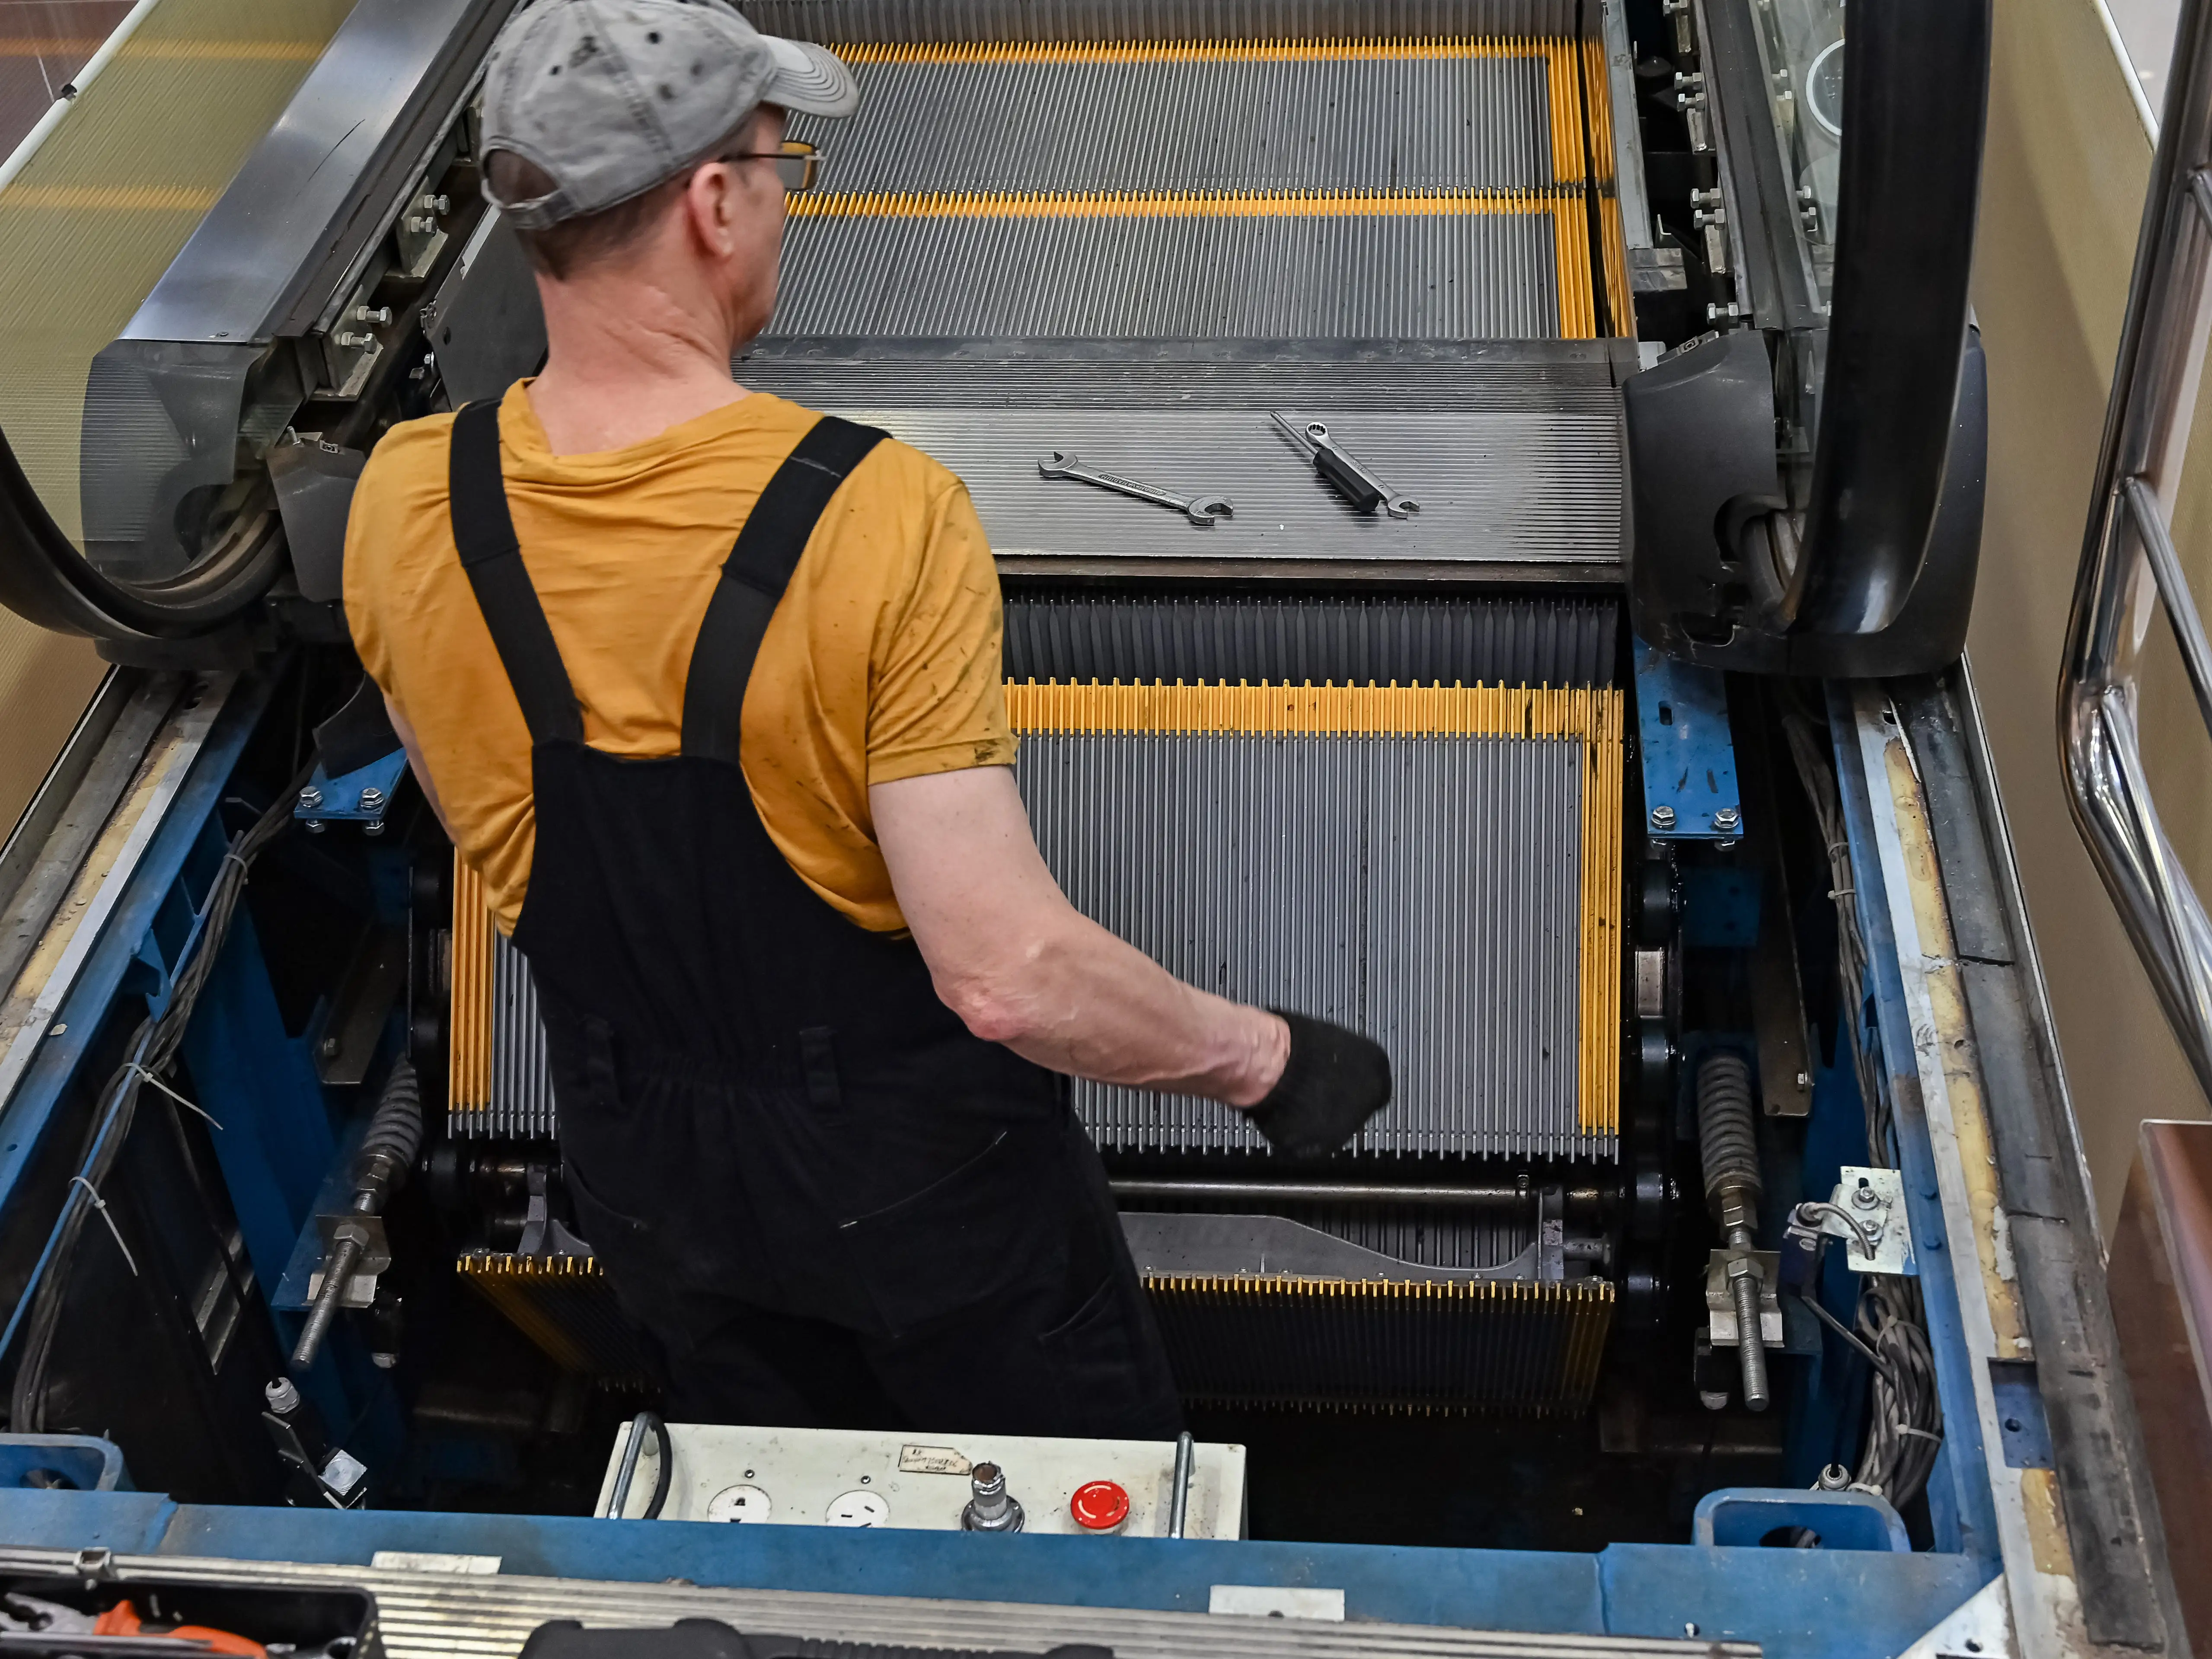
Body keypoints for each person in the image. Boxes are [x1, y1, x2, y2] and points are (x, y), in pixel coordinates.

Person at [343, 0, 1393, 1437]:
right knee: (1068, 1524)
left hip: (649, 1180)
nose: (785, 202)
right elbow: (1007, 976)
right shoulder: (875, 512)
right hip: (925, 1209)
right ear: (715, 202)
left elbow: (492, 830)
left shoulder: (405, 496)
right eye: (782, 165)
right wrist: (1262, 1059)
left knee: (788, 1484)